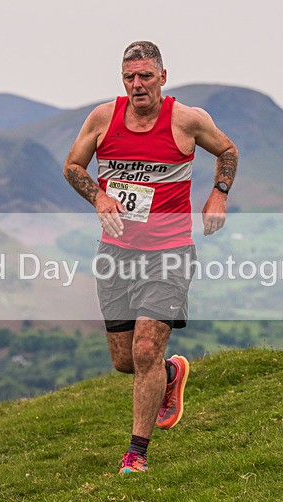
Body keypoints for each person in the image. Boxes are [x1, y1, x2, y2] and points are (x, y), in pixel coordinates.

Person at [63, 41, 238, 474]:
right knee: (125, 360)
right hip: (117, 253)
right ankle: (170, 374)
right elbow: (72, 167)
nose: (137, 85)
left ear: (162, 76)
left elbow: (228, 151)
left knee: (144, 350)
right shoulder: (103, 118)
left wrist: (218, 195)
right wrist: (99, 197)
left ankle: (136, 455)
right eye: (129, 77)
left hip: (170, 251)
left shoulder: (188, 120)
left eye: (145, 76)